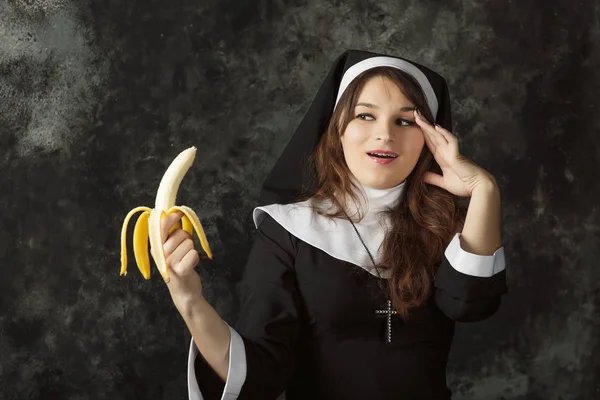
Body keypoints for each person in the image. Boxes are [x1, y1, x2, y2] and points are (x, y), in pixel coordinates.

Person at [157, 50, 508, 400]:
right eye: (365, 116)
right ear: (337, 128)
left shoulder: (445, 227)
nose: (384, 134)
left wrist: (484, 189)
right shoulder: (288, 230)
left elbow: (470, 305)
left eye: (405, 121)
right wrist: (190, 300)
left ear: (431, 140)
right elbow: (260, 376)